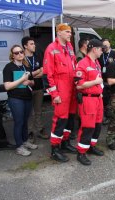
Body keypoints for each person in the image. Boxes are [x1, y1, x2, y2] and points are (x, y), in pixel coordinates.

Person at [43, 23, 78, 162]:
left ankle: (65, 143)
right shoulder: (51, 49)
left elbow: (74, 67)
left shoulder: (70, 47)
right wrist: (54, 94)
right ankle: (55, 149)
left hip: (72, 90)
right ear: (59, 33)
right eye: (67, 32)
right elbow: (47, 75)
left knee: (70, 119)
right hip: (61, 91)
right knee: (60, 121)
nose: (70, 34)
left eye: (70, 32)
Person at [3, 45, 38, 156]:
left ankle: (25, 141)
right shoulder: (8, 67)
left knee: (25, 122)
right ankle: (19, 146)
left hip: (27, 97)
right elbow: (7, 86)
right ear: (12, 55)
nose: (19, 54)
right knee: (19, 122)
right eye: (16, 53)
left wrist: (29, 82)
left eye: (21, 52)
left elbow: (33, 82)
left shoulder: (26, 66)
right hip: (15, 99)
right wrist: (22, 79)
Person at [74, 39, 105, 166]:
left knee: (97, 125)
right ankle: (81, 152)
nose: (102, 51)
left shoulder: (96, 62)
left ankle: (91, 146)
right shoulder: (82, 63)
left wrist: (100, 89)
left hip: (98, 98)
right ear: (94, 49)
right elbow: (79, 85)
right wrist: (95, 83)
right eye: (101, 49)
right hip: (88, 99)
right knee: (87, 127)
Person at [22, 36, 48, 142]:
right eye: (31, 44)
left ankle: (40, 129)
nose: (34, 45)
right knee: (29, 112)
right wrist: (36, 73)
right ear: (25, 46)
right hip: (27, 89)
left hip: (39, 88)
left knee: (38, 111)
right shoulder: (22, 58)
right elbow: (23, 76)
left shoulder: (37, 57)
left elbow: (43, 72)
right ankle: (30, 132)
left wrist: (31, 74)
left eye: (34, 43)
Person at [98, 38, 115, 125]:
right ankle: (106, 116)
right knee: (105, 99)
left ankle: (114, 117)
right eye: (103, 45)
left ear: (109, 44)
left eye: (106, 45)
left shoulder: (114, 53)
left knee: (113, 99)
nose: (105, 47)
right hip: (102, 80)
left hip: (112, 79)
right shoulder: (100, 53)